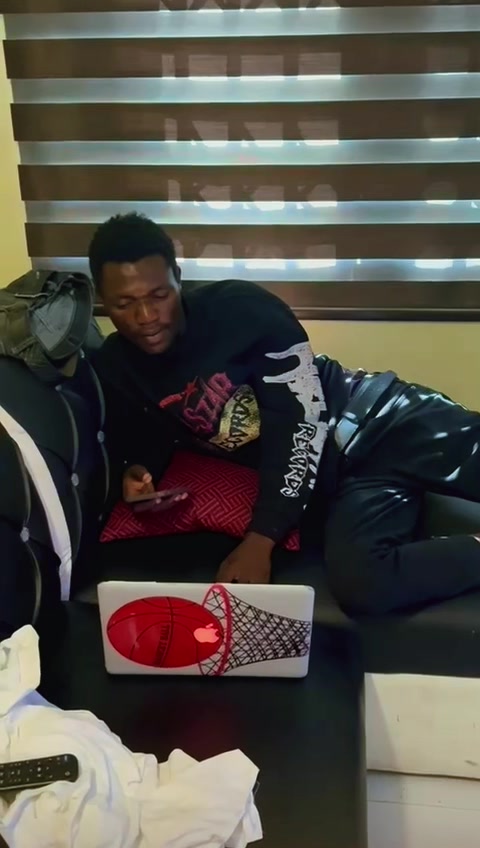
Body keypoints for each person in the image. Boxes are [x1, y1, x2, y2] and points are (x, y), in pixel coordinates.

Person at [91, 213, 480, 615]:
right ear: (102, 298)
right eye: (124, 303)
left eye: (158, 296)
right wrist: (138, 471)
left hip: (380, 418)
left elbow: (299, 420)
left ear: (177, 277)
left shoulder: (241, 309)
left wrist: (261, 539)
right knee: (363, 583)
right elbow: (150, 433)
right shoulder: (115, 367)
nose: (146, 316)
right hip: (348, 480)